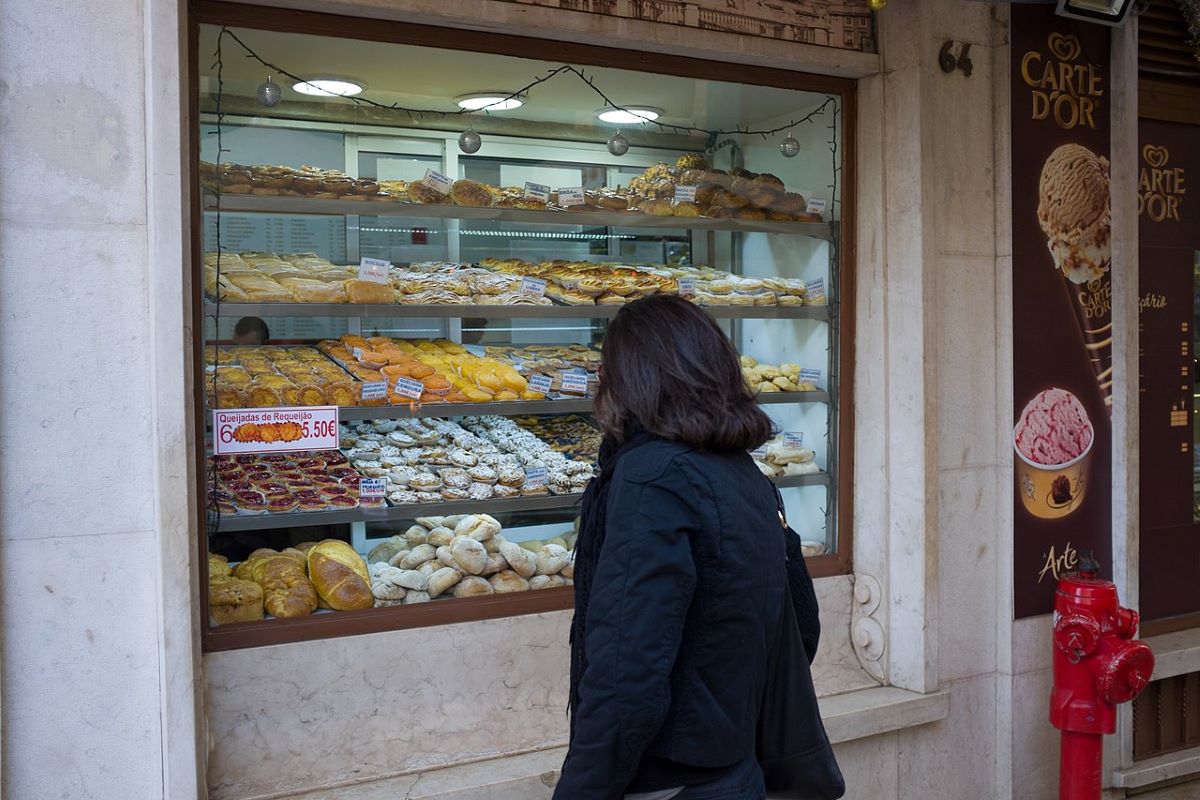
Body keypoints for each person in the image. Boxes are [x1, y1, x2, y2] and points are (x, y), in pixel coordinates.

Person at [554, 294, 820, 800]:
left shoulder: (652, 478)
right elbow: (799, 630)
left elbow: (625, 670)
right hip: (736, 769)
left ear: (630, 380)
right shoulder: (745, 473)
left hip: (667, 781)